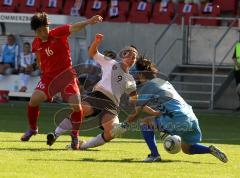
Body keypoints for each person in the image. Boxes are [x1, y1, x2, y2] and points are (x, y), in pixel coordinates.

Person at [111, 56, 228, 163]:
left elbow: (136, 113)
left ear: (141, 75)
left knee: (145, 122)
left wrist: (123, 126)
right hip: (190, 117)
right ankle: (210, 150)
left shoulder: (147, 87)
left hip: (177, 119)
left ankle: (154, 155)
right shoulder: (163, 82)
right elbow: (164, 106)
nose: (134, 78)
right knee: (187, 149)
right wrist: (156, 114)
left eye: (135, 75)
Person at [20, 12, 103, 150]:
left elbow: (74, 27)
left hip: (66, 76)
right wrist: (44, 78)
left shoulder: (57, 33)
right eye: (39, 31)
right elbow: (40, 60)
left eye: (44, 29)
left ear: (48, 26)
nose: (43, 33)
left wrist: (89, 21)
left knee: (77, 106)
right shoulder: (36, 43)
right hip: (48, 78)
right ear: (35, 32)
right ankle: (33, 129)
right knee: (33, 101)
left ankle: (75, 135)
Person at [47, 33, 138, 150]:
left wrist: (136, 104)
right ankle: (55, 135)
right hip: (98, 95)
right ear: (123, 55)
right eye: (130, 55)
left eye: (135, 57)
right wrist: (97, 41)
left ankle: (82, 146)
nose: (132, 59)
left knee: (113, 132)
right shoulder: (111, 63)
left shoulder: (130, 79)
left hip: (112, 104)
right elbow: (92, 53)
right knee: (81, 110)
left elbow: (134, 97)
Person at [232, 41, 240, 110]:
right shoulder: (238, 45)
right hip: (238, 71)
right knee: (238, 90)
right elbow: (234, 58)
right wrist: (238, 65)